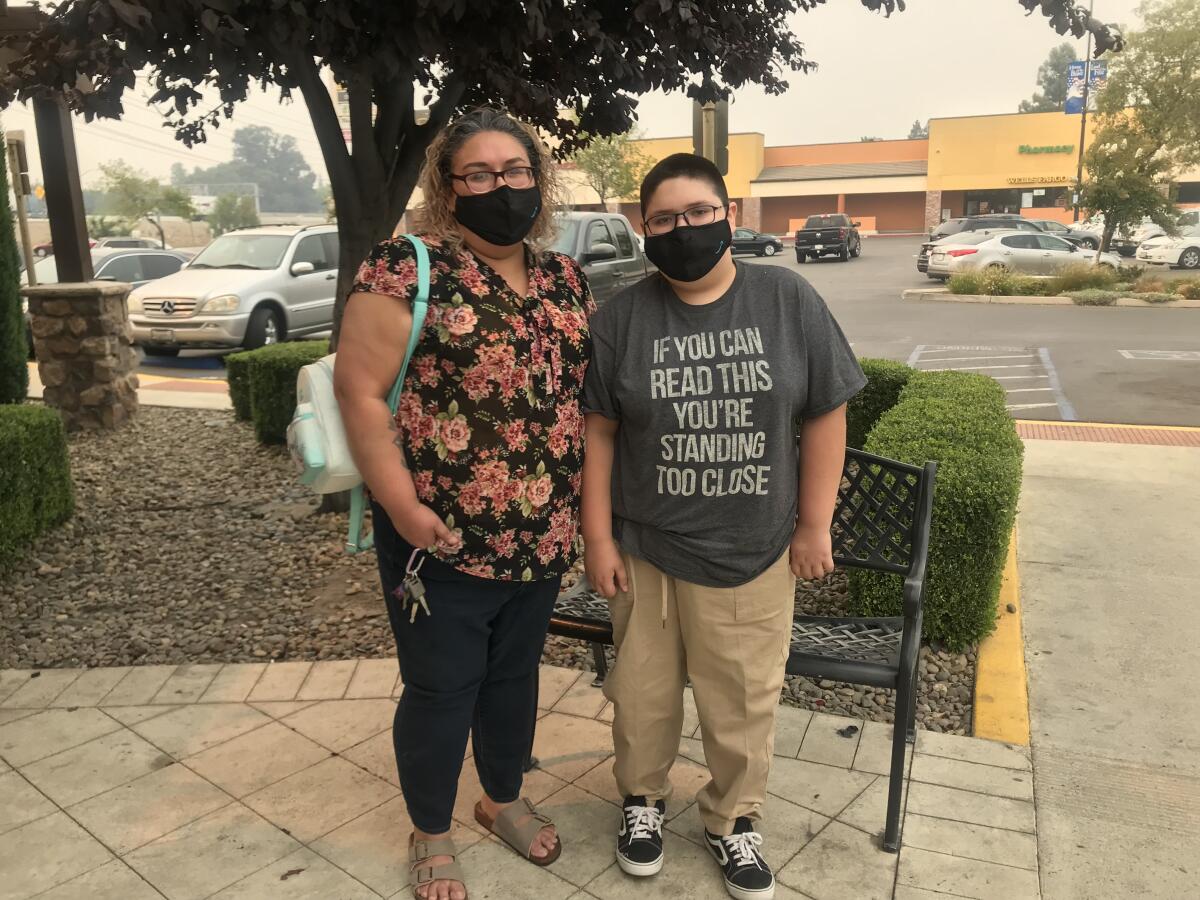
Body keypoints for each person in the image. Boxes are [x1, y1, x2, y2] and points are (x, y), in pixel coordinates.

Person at [581, 153, 865, 900]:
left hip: (751, 550)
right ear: (645, 228)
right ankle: (642, 802)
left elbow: (827, 411)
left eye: (699, 213)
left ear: (728, 215)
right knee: (640, 697)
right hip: (645, 548)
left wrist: (815, 525)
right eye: (665, 219)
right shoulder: (620, 319)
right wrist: (599, 540)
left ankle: (732, 819)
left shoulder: (787, 299)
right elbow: (600, 435)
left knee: (741, 703)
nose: (684, 230)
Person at [335, 107, 593, 900]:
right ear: (450, 190)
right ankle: (431, 829)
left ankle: (501, 798)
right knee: (443, 688)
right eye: (478, 174)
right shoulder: (405, 270)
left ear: (537, 180)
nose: (501, 187)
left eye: (515, 171)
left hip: (542, 533)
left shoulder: (562, 277)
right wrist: (404, 508)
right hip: (439, 537)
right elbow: (361, 393)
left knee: (514, 678)